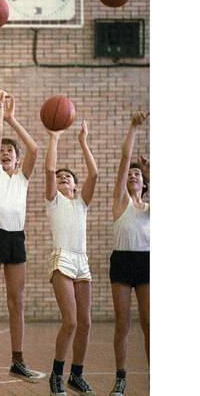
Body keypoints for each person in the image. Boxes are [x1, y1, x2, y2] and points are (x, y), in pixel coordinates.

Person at [0, 90, 45, 389]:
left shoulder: (23, 178)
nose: (4, 153)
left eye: (9, 153)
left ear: (16, 160)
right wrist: (0, 109)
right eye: (1, 151)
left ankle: (18, 361)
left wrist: (14, 120)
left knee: (17, 302)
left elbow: (35, 148)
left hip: (17, 239)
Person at [44, 121, 98, 396]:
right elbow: (50, 169)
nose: (63, 178)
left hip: (82, 262)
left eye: (68, 178)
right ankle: (56, 373)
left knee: (85, 323)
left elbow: (95, 173)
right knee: (71, 321)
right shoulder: (54, 201)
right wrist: (54, 137)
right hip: (62, 260)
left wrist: (83, 141)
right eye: (60, 177)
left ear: (76, 187)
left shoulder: (81, 204)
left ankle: (76, 375)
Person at [108, 111, 149, 396]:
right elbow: (125, 159)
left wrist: (151, 169)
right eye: (131, 174)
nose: (133, 175)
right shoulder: (121, 200)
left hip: (147, 261)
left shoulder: (150, 207)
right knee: (123, 322)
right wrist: (133, 128)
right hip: (122, 260)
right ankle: (121, 377)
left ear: (145, 183)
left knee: (150, 323)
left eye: (138, 174)